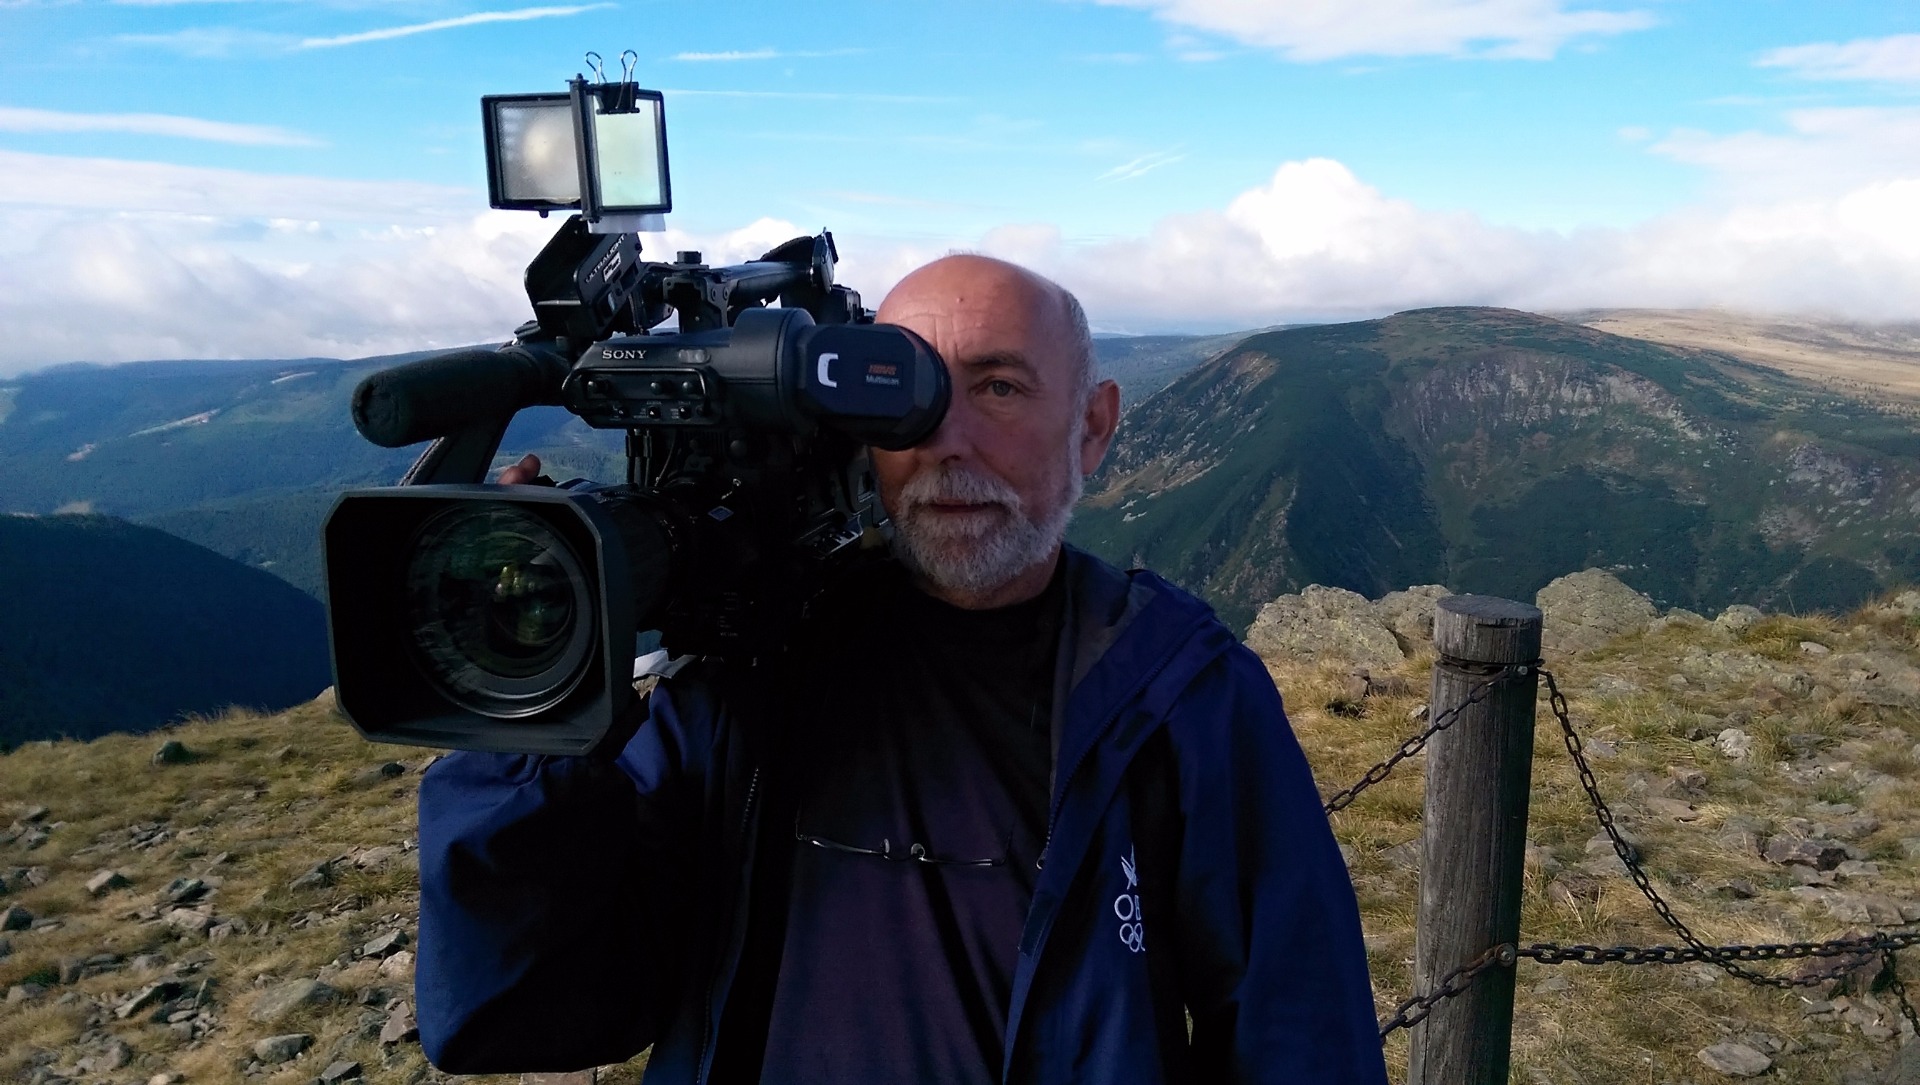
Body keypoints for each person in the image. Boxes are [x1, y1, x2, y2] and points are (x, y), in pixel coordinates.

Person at [415, 255, 1388, 1084]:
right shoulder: (750, 679)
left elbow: (1302, 1038)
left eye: (998, 387)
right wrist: (524, 700)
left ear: (1093, 426)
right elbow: (515, 1008)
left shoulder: (1178, 695)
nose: (944, 440)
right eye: (902, 392)